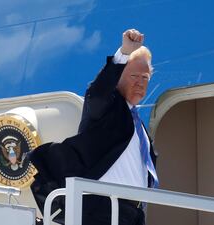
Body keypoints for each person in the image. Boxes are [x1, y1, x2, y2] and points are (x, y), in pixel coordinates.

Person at [29, 28, 158, 225]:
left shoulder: (139, 127)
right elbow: (97, 94)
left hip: (132, 213)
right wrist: (123, 53)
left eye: (145, 77)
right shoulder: (107, 108)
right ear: (119, 76)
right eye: (134, 76)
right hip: (102, 208)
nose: (140, 82)